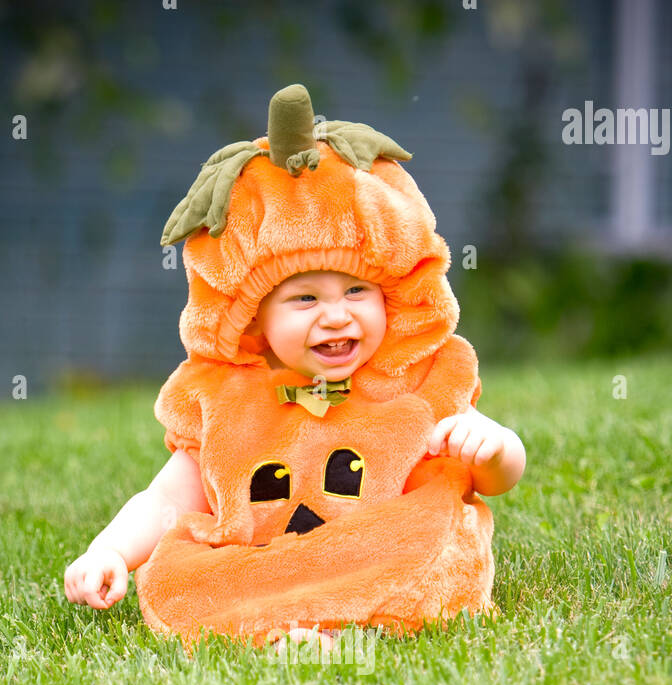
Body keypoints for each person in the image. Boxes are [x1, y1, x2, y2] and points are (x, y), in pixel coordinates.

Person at [64, 85, 525, 649]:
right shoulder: (231, 403)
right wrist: (109, 550)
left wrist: (496, 448)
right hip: (266, 565)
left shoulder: (410, 381)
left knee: (433, 534)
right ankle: (284, 628)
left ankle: (336, 621)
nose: (335, 316)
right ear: (255, 317)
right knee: (181, 577)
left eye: (357, 290)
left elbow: (487, 482)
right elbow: (166, 501)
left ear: (389, 294)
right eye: (304, 300)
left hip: (377, 552)